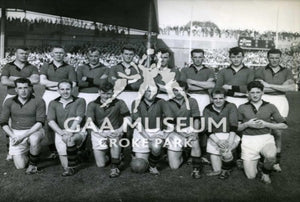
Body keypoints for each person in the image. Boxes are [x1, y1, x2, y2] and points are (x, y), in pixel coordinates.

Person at [238, 81, 287, 184]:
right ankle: (257, 163)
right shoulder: (242, 107)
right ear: (248, 93)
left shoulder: (270, 106)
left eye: (257, 92)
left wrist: (267, 124)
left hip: (265, 138)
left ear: (262, 92)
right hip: (248, 140)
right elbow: (237, 128)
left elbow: (284, 125)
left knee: (270, 156)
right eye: (252, 92)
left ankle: (265, 173)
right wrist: (247, 124)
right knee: (251, 176)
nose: (255, 95)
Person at [255, 48, 296, 172]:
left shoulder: (287, 71)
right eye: (272, 58)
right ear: (268, 58)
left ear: (280, 58)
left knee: (277, 132)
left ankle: (276, 161)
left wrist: (268, 85)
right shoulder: (261, 70)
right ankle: (262, 159)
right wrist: (280, 87)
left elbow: (291, 87)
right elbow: (258, 88)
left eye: (277, 58)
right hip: (264, 100)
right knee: (262, 130)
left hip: (280, 101)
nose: (274, 60)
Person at [0, 47, 40, 161]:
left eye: (26, 54)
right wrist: (26, 81)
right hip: (11, 96)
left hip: (29, 97)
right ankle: (10, 150)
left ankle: (28, 148)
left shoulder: (32, 67)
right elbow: (4, 81)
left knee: (30, 122)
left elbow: (36, 80)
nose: (24, 55)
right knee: (9, 124)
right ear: (16, 54)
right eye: (21, 53)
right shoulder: (8, 66)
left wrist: (13, 78)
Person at [0, 78, 45, 174]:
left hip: (34, 130)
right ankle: (31, 151)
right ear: (15, 89)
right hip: (16, 132)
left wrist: (23, 137)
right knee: (20, 166)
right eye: (20, 88)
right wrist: (13, 136)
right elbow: (3, 122)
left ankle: (33, 165)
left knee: (34, 138)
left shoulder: (39, 101)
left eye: (25, 87)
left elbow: (40, 122)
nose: (23, 91)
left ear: (30, 88)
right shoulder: (9, 101)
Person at [86, 82, 131, 178]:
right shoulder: (92, 104)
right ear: (99, 92)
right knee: (101, 164)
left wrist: (120, 130)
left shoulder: (119, 102)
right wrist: (100, 132)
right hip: (99, 132)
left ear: (113, 93)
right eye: (104, 93)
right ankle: (112, 156)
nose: (106, 96)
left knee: (115, 139)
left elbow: (128, 117)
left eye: (109, 93)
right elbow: (89, 121)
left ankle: (114, 167)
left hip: (114, 131)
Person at [40, 46, 77, 159]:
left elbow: (73, 84)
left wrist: (59, 86)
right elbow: (42, 81)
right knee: (49, 121)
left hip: (65, 95)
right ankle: (53, 148)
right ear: (52, 54)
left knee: (65, 119)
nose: (59, 55)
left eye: (61, 53)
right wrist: (62, 84)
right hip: (49, 94)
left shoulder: (70, 67)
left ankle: (69, 144)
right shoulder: (46, 65)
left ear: (64, 54)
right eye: (56, 53)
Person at [180, 48, 215, 164]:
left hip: (204, 98)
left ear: (203, 57)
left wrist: (193, 82)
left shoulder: (209, 70)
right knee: (191, 124)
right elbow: (185, 86)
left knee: (203, 125)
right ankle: (190, 152)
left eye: (200, 57)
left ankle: (203, 153)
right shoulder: (185, 70)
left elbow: (211, 85)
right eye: (195, 57)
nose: (198, 59)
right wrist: (204, 85)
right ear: (192, 57)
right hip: (189, 97)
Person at [47, 80, 86, 176]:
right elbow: (51, 121)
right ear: (58, 91)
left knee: (70, 140)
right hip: (61, 131)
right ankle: (79, 154)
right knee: (65, 165)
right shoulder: (53, 103)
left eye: (68, 89)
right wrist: (62, 133)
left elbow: (79, 118)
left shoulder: (80, 100)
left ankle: (73, 164)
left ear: (72, 89)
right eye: (62, 89)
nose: (65, 92)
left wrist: (69, 132)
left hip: (77, 130)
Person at [164, 81, 202, 179]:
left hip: (189, 128)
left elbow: (196, 118)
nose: (178, 93)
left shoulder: (192, 100)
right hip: (175, 130)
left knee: (194, 141)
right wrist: (182, 134)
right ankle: (186, 153)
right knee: (174, 166)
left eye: (181, 90)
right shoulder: (168, 103)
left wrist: (195, 132)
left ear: (186, 90)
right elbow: (171, 123)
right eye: (176, 90)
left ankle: (196, 169)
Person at [204, 88, 240, 179]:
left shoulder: (231, 106)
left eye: (221, 98)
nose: (218, 101)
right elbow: (207, 128)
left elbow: (234, 125)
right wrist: (218, 141)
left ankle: (227, 168)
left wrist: (229, 142)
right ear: (211, 98)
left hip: (230, 134)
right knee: (217, 170)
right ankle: (230, 161)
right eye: (215, 98)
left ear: (225, 98)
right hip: (215, 137)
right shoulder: (207, 109)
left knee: (226, 152)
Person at [131, 85, 168, 175]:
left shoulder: (162, 102)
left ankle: (153, 165)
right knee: (139, 165)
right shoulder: (136, 102)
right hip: (141, 132)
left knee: (156, 146)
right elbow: (137, 123)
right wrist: (148, 137)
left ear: (158, 92)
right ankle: (155, 155)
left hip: (156, 131)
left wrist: (164, 135)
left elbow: (170, 119)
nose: (150, 94)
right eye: (148, 91)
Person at [104, 45, 142, 109]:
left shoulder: (139, 69)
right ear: (122, 54)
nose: (128, 56)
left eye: (131, 54)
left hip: (134, 97)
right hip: (118, 97)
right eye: (126, 54)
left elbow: (140, 84)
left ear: (134, 55)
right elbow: (112, 82)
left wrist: (121, 82)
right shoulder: (114, 68)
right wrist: (132, 81)